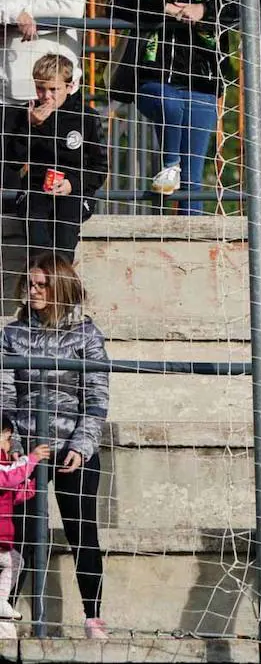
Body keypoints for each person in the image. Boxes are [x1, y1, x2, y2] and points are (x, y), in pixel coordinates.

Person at [0, 254, 109, 639]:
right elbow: (6, 392)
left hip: (72, 448)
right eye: (29, 284)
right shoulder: (12, 334)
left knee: (83, 533)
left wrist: (81, 445)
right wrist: (9, 439)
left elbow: (96, 397)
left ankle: (93, 617)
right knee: (23, 532)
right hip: (26, 450)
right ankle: (6, 611)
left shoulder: (86, 334)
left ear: (59, 288)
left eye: (41, 284)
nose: (32, 290)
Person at [110, 0, 239, 212]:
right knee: (169, 107)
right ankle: (169, 163)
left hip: (202, 82)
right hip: (154, 78)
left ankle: (188, 239)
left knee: (190, 181)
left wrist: (204, 11)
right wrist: (163, 7)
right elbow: (117, 2)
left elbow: (242, 7)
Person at [1, 54, 107, 264]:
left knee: (63, 244)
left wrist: (73, 183)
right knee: (38, 244)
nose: (46, 96)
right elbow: (12, 162)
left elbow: (100, 167)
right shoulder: (26, 114)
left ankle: (61, 291)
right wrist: (30, 127)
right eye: (40, 88)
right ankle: (38, 290)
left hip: (75, 192)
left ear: (69, 86)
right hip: (36, 191)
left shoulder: (86, 117)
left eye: (53, 89)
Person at [0, 420, 47, 640]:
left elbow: (11, 494)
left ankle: (4, 621)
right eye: (9, 440)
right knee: (14, 561)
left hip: (3, 538)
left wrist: (32, 487)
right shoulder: (2, 464)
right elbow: (8, 477)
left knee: (16, 561)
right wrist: (33, 458)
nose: (10, 446)